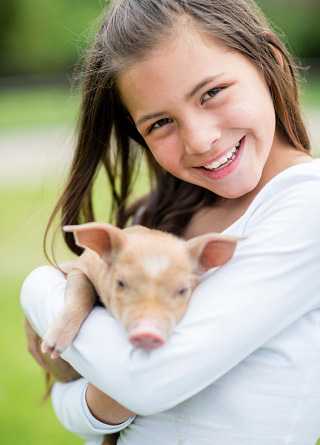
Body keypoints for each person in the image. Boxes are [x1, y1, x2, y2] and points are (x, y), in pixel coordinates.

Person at [20, 0, 320, 444]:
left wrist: (37, 290)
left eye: (212, 92)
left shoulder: (307, 206)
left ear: (269, 62)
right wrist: (106, 399)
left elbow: (148, 382)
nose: (200, 140)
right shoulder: (157, 217)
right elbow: (77, 409)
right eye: (161, 122)